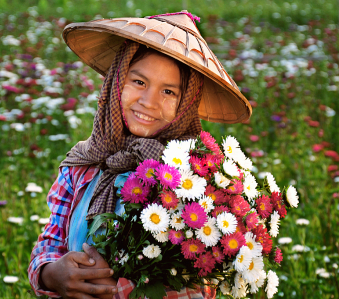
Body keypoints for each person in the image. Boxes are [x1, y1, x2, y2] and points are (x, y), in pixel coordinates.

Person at [28, 11, 252, 299]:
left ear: (186, 104)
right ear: (116, 82)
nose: (149, 102)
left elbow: (198, 279)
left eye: (169, 92)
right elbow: (51, 240)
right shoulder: (83, 163)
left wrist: (116, 291)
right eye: (139, 82)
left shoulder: (190, 181)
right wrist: (50, 273)